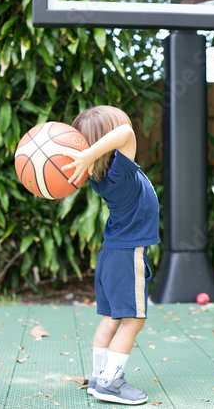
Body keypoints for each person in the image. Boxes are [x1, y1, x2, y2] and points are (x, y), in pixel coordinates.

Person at [61, 105, 160, 405]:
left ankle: (98, 377)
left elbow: (121, 135)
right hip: (127, 255)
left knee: (111, 319)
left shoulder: (99, 177)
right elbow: (127, 133)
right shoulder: (120, 174)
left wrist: (88, 156)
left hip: (111, 255)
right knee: (133, 321)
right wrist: (90, 154)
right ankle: (111, 382)